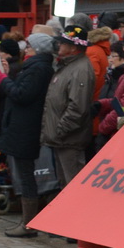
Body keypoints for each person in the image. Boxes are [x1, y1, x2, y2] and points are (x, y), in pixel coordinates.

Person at [0, 31, 54, 235]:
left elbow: (22, 94)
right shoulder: (36, 66)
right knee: (24, 173)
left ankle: (29, 223)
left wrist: (3, 79)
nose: (26, 49)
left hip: (26, 127)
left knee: (26, 174)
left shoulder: (38, 68)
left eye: (29, 46)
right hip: (24, 125)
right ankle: (27, 221)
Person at [41, 25, 97, 187]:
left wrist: (60, 130)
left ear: (73, 48)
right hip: (63, 138)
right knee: (65, 184)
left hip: (69, 139)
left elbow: (78, 107)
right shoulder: (68, 66)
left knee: (72, 185)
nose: (59, 45)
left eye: (63, 43)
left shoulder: (80, 69)